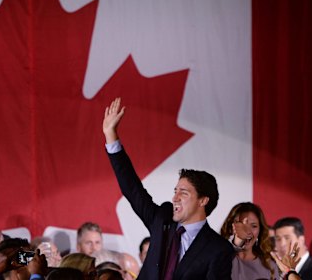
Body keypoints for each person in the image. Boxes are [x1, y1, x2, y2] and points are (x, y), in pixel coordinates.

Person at [102, 98, 234, 279]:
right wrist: (111, 137)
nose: (175, 197)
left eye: (184, 192)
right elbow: (133, 190)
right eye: (175, 191)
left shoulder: (218, 249)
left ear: (203, 200)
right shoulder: (162, 219)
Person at [220, 202, 279, 280]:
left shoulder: (269, 265)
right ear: (231, 227)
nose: (247, 231)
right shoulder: (220, 257)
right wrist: (237, 243)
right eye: (241, 225)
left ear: (260, 230)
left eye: (253, 226)